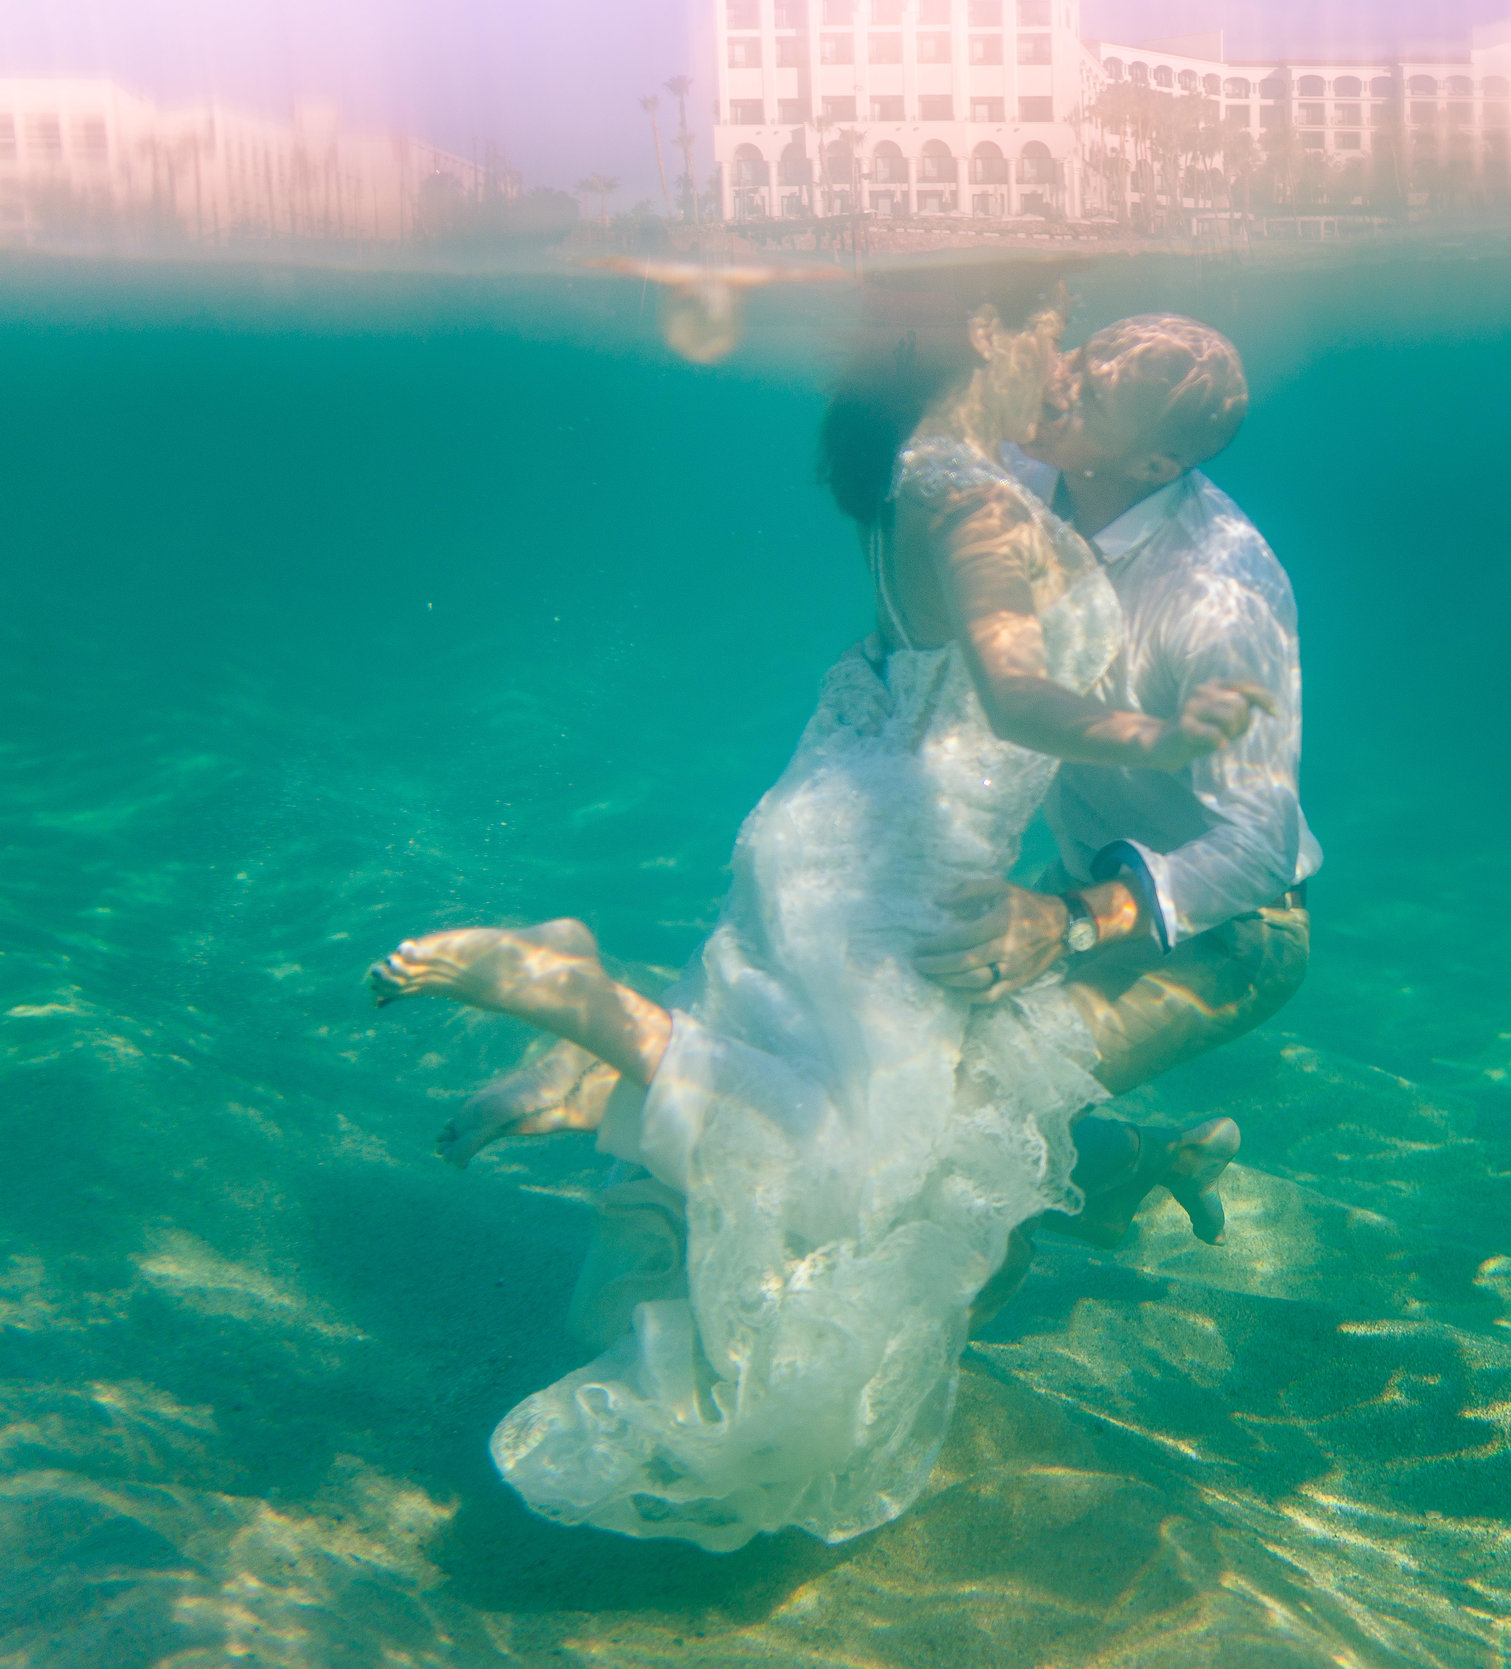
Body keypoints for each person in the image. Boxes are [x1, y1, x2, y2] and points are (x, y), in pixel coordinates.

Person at [365, 266, 1268, 1552]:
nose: (1063, 360)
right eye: (1053, 329)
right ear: (985, 326)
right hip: (910, 867)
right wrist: (1162, 731)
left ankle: (589, 1001)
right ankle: (578, 997)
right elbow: (1012, 696)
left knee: (885, 1131)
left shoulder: (926, 465)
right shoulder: (983, 511)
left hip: (841, 821)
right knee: (827, 1143)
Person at [913, 313, 1321, 1259]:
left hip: (1234, 934)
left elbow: (1259, 845)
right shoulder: (1033, 472)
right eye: (1077, 355)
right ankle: (1139, 1163)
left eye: (1092, 393)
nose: (1056, 381)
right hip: (1079, 882)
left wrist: (1068, 922)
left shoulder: (1223, 595)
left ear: (1150, 464)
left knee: (982, 1104)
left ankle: (953, 1369)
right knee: (905, 1062)